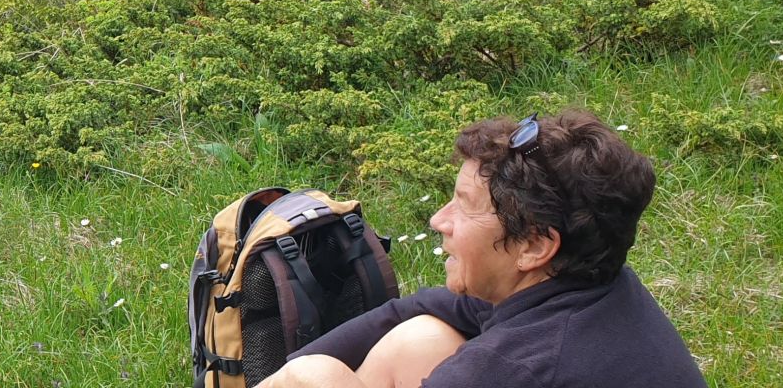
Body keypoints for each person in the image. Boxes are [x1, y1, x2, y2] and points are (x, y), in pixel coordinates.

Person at [258, 110, 705, 387]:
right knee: (420, 340)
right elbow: (416, 309)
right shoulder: (591, 286)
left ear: (534, 246)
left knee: (318, 378)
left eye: (465, 207)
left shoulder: (509, 367)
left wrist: (305, 375)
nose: (438, 221)